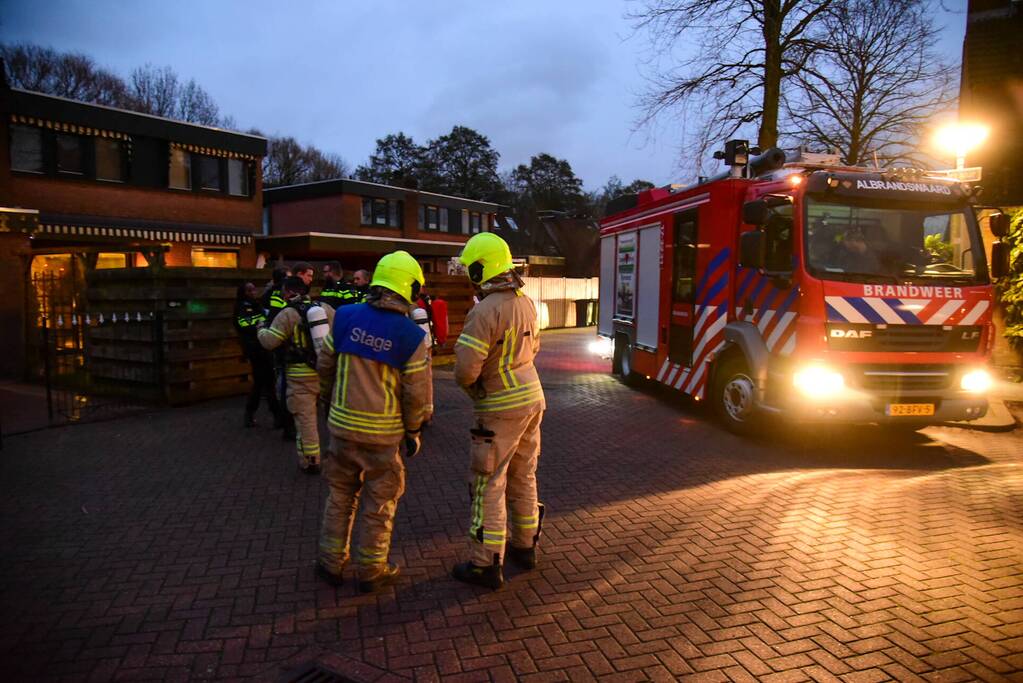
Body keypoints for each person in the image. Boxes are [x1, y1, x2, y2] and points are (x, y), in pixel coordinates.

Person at [315, 250, 432, 592]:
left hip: (341, 428)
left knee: (339, 495)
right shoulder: (411, 336)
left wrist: (328, 400)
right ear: (409, 287)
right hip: (382, 436)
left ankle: (330, 563)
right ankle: (370, 570)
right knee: (379, 503)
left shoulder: (345, 316)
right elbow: (416, 395)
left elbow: (325, 365)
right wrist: (413, 430)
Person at [451, 233, 545, 590]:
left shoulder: (484, 310)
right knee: (524, 475)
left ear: (481, 268)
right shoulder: (526, 302)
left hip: (499, 408)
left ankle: (485, 564)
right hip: (532, 399)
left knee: (488, 484)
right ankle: (526, 547)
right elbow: (533, 348)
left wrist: (475, 389)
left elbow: (465, 370)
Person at [258, 276, 335, 473]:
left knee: (306, 420)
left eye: (284, 292)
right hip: (326, 372)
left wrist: (260, 329)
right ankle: (338, 455)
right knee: (333, 416)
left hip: (300, 377)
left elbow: (269, 342)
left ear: (290, 292)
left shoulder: (288, 314)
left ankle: (311, 461)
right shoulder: (325, 309)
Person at [234, 283, 283, 428]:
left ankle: (251, 414)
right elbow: (244, 324)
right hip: (255, 349)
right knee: (267, 381)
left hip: (262, 346)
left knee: (261, 382)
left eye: (254, 289)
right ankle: (276, 415)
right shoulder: (242, 306)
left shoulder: (257, 304)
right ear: (243, 292)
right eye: (249, 290)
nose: (253, 292)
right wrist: (262, 323)